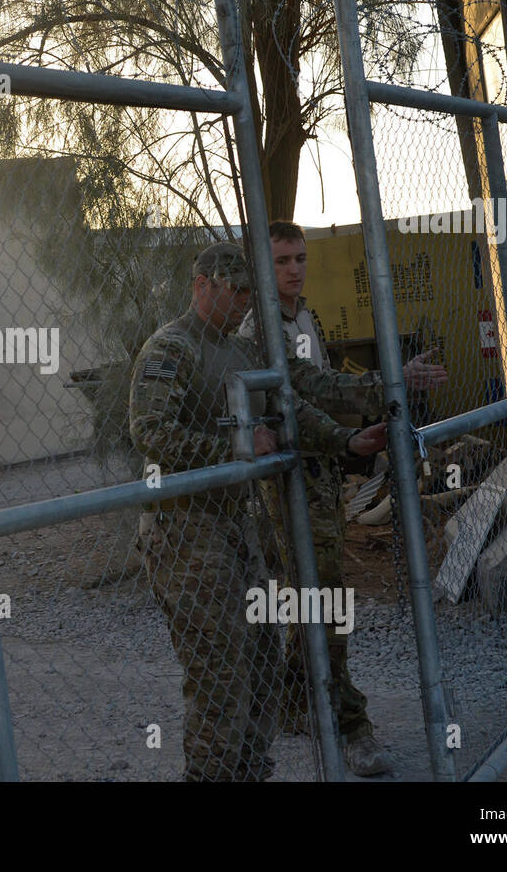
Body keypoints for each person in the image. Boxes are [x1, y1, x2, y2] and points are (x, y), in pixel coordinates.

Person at [128, 241, 388, 781]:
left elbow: (290, 410)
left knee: (263, 658)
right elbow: (150, 432)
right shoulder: (171, 349)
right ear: (202, 285)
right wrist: (237, 449)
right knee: (219, 669)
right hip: (183, 532)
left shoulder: (241, 353)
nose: (246, 302)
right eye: (236, 291)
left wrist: (347, 442)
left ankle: (248, 767)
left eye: (251, 292)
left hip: (231, 526)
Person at [236, 220, 448, 776]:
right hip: (293, 478)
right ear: (264, 265)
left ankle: (294, 701)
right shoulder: (262, 328)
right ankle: (352, 725)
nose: (295, 269)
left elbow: (320, 389)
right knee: (326, 598)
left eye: (300, 258)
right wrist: (388, 385)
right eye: (283, 260)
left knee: (314, 595)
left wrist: (350, 439)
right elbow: (303, 394)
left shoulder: (306, 316)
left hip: (321, 470)